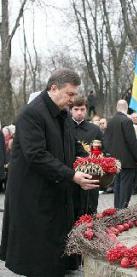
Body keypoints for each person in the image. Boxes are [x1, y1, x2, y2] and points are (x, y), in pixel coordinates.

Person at [0, 69, 100, 277]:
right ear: (53, 88)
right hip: (33, 194)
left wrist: (94, 162)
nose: (72, 101)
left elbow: (73, 145)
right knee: (39, 258)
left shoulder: (62, 113)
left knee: (56, 252)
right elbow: (36, 155)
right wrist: (72, 176)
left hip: (55, 189)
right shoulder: (31, 114)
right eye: (70, 94)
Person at [103, 100, 137, 209]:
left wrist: (110, 156)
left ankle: (117, 208)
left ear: (117, 107)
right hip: (127, 160)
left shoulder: (111, 121)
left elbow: (106, 140)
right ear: (127, 108)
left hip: (115, 160)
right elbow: (132, 141)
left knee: (118, 185)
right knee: (126, 186)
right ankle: (123, 209)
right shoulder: (127, 121)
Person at [70, 96, 103, 216]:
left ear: (86, 110)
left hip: (90, 175)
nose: (79, 112)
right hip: (70, 175)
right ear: (70, 110)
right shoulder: (65, 127)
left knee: (90, 210)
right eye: (76, 109)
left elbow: (103, 150)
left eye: (82, 109)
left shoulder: (95, 129)